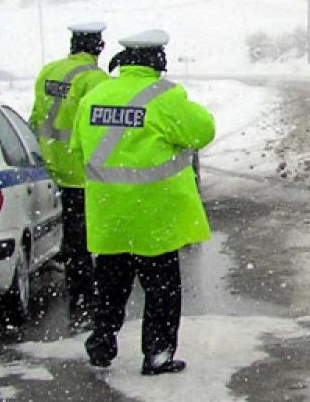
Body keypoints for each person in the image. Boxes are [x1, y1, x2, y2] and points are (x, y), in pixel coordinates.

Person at [70, 29, 215, 375]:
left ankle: (102, 342)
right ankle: (157, 355)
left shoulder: (95, 95)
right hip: (154, 217)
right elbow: (203, 131)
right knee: (162, 293)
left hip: (109, 215)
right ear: (157, 60)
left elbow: (78, 150)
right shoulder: (164, 97)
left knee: (110, 288)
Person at [29, 22, 110, 330]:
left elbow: (37, 115)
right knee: (88, 240)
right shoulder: (95, 78)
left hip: (52, 166)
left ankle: (80, 300)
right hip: (82, 171)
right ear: (98, 48)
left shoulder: (48, 71)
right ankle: (86, 301)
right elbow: (99, 126)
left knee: (72, 236)